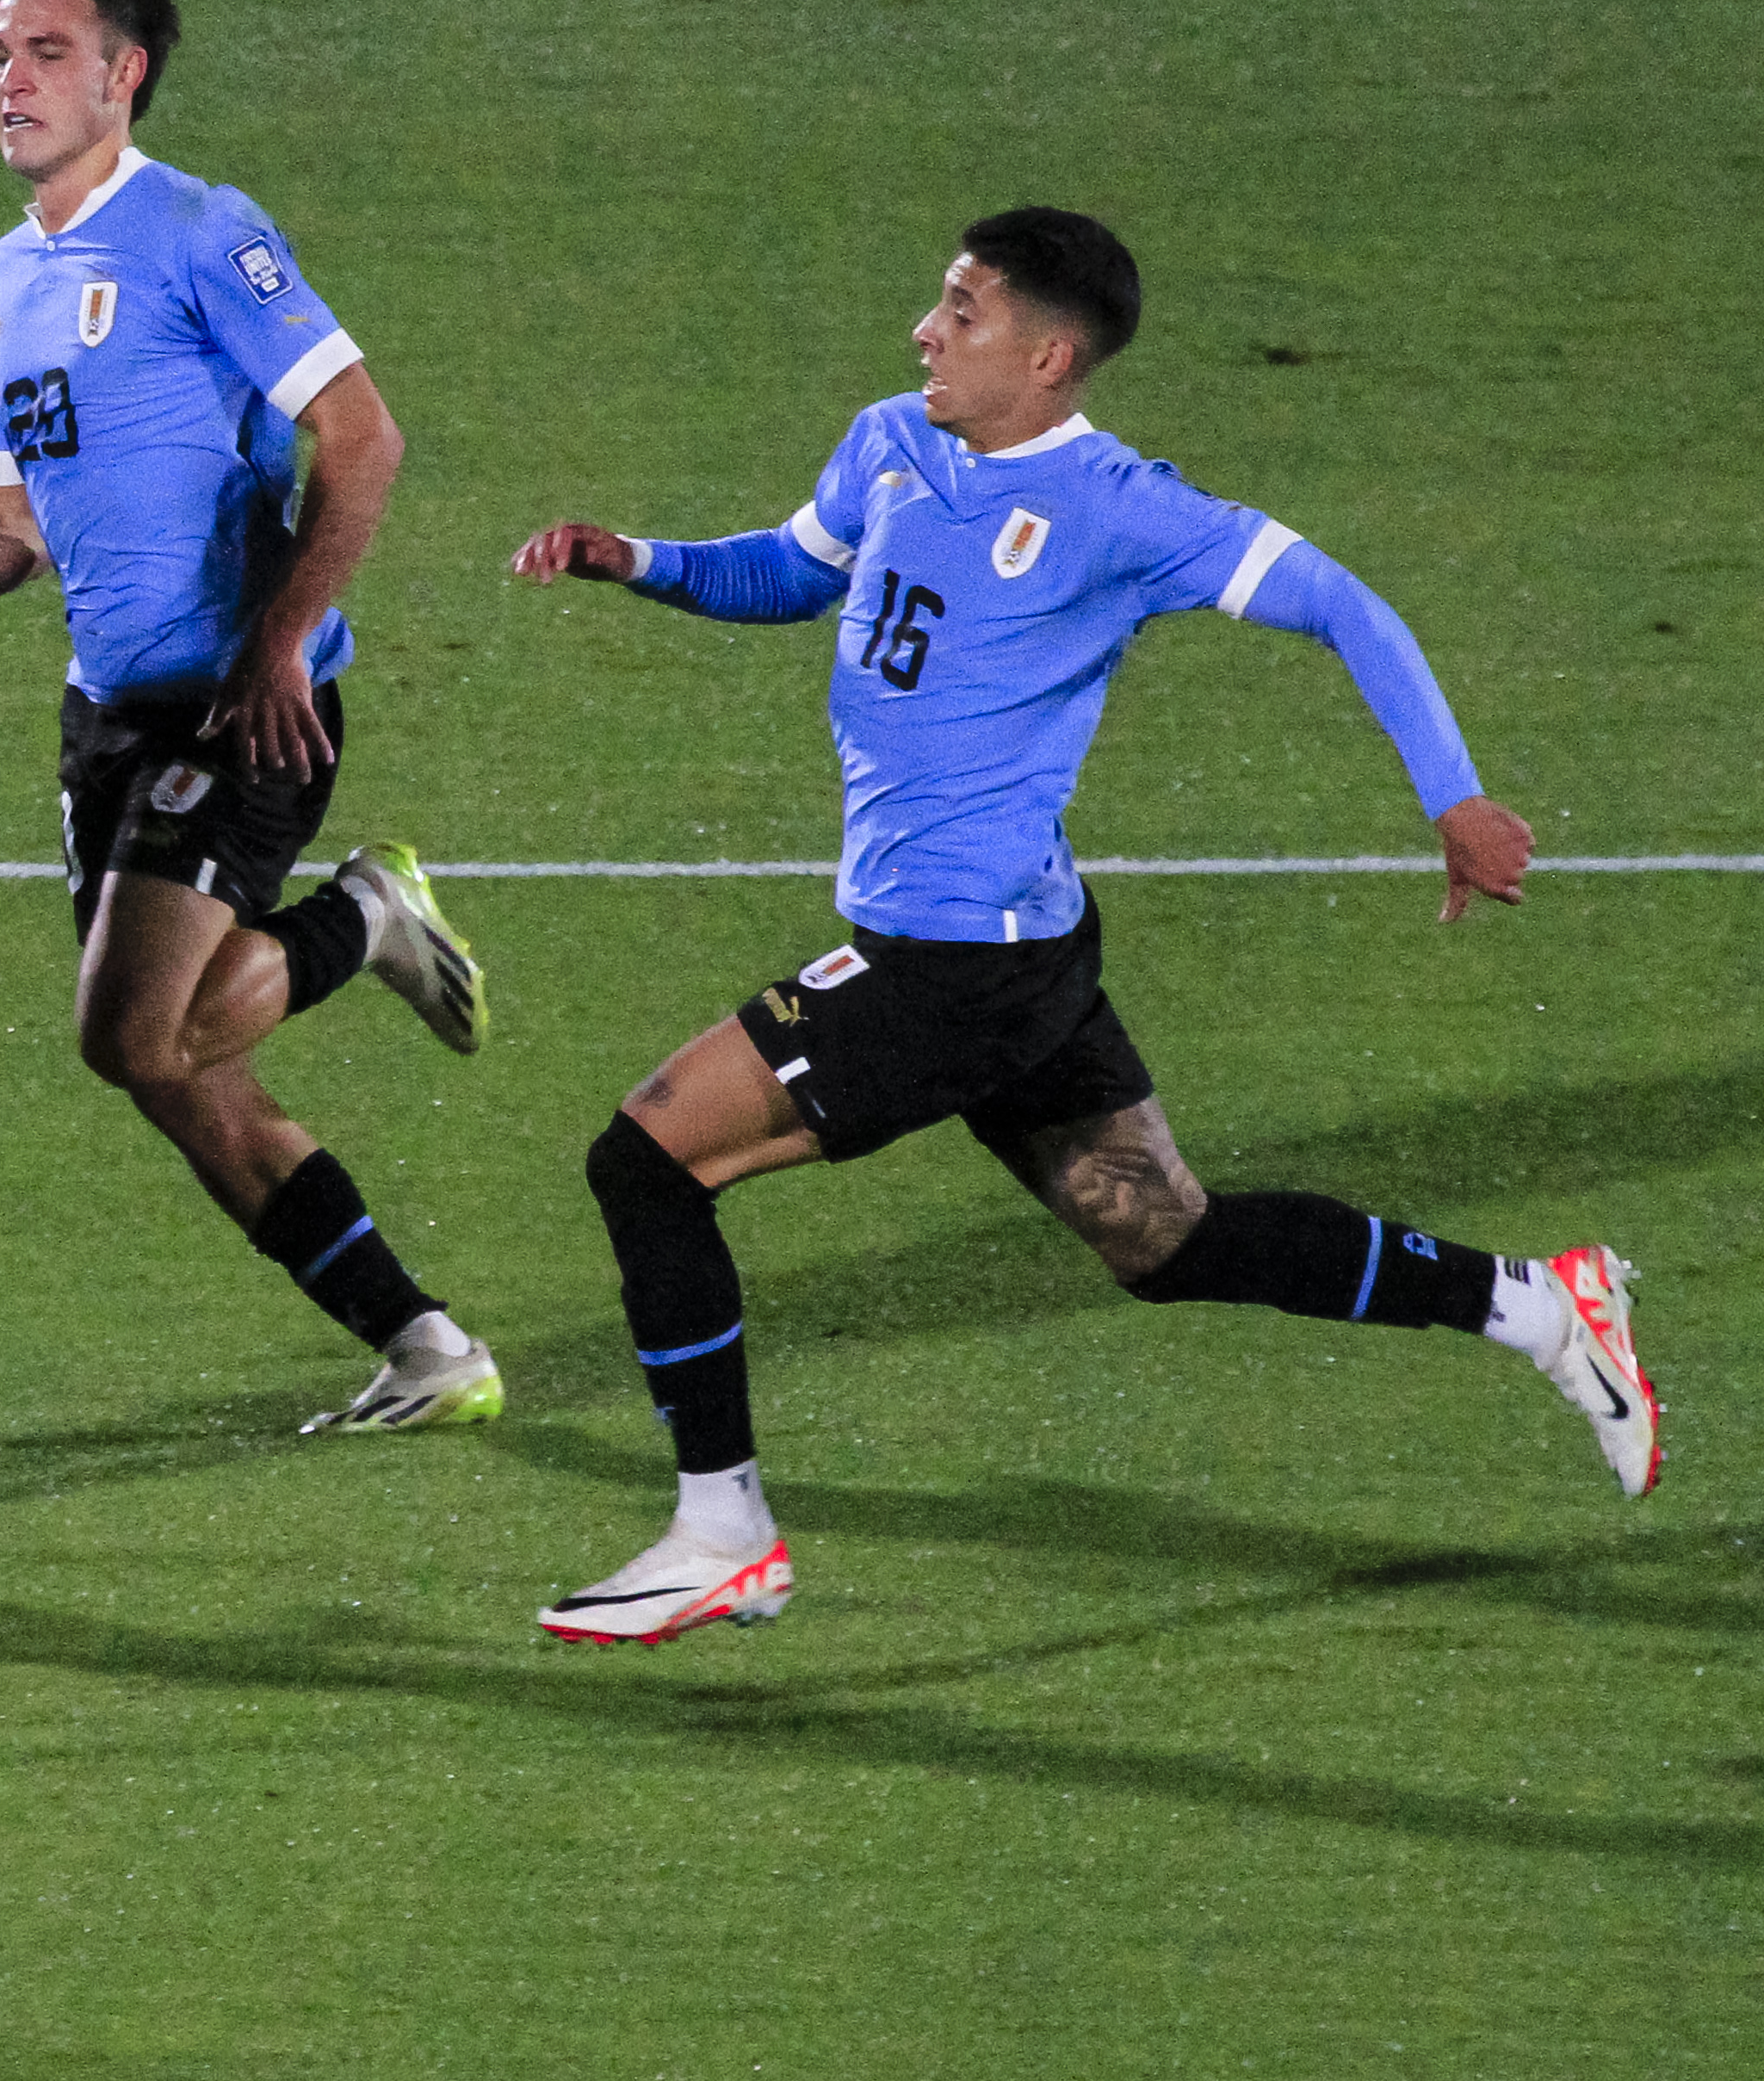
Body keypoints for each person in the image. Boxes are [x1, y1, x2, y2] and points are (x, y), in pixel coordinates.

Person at [513, 207, 1661, 1647]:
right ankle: (1541, 1308)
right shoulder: (891, 441)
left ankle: (723, 1531)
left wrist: (1459, 800)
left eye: (962, 313)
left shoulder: (1126, 513)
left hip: (958, 967)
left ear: (1052, 357)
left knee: (648, 1158)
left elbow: (1347, 607)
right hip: (1029, 950)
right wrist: (645, 560)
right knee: (1168, 1242)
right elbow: (798, 573)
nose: (927, 333)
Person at [0, 0, 499, 1435]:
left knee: (130, 1032)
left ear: (124, 77)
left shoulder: (200, 231)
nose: (11, 80)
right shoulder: (3, 282)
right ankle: (426, 1346)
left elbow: (363, 438)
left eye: (48, 53)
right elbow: (8, 530)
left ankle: (365, 916)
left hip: (248, 708)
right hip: (110, 722)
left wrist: (279, 640)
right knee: (181, 1075)